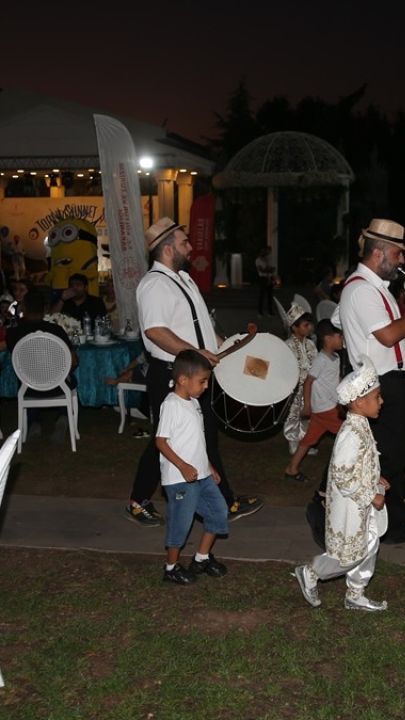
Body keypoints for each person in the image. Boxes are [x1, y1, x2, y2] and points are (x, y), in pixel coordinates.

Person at [128, 217, 261, 527]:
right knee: (183, 438)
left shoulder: (184, 280)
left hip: (193, 372)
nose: (190, 246)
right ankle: (222, 502)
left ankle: (218, 500)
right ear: (168, 248)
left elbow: (202, 325)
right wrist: (195, 353)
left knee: (194, 437)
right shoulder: (153, 284)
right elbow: (156, 332)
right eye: (184, 242)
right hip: (173, 375)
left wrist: (226, 347)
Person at [339, 218, 405, 545]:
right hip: (379, 383)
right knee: (387, 458)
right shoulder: (360, 290)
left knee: (391, 456)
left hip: (390, 381)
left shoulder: (375, 289)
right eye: (398, 254)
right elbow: (389, 336)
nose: (402, 261)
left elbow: (392, 339)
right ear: (380, 252)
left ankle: (387, 518)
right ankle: (390, 526)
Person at [293, 363, 391, 611]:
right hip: (351, 505)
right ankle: (312, 572)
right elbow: (342, 474)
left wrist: (375, 477)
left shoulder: (361, 424)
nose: (381, 401)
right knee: (349, 555)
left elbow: (362, 461)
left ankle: (356, 593)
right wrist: (371, 495)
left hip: (360, 504)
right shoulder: (351, 433)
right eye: (376, 397)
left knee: (369, 544)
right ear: (358, 402)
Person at [155, 350, 230, 585]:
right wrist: (183, 466)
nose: (206, 386)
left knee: (218, 512)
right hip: (180, 479)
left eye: (207, 381)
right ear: (183, 380)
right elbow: (160, 441)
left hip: (202, 475)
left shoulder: (194, 403)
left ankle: (201, 558)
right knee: (181, 522)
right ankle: (171, 568)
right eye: (202, 381)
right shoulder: (171, 405)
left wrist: (209, 466)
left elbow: (196, 440)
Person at [5, 291, 78, 438]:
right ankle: (63, 416)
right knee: (73, 379)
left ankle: (34, 422)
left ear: (23, 308)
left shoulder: (13, 333)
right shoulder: (55, 330)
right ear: (45, 309)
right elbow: (73, 361)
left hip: (28, 387)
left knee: (29, 375)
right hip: (58, 386)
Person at [284, 319, 344, 483]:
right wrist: (308, 405)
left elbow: (334, 380)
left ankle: (291, 469)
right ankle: (346, 470)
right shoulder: (321, 360)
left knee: (308, 441)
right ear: (328, 338)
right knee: (349, 434)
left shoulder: (335, 357)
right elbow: (308, 382)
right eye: (340, 336)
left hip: (326, 407)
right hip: (326, 408)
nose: (342, 340)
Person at [282, 304, 317, 455]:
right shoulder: (287, 346)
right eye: (305, 325)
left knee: (307, 414)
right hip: (294, 387)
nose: (309, 328)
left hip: (309, 387)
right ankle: (292, 441)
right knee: (293, 414)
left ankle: (305, 442)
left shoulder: (310, 344)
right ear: (294, 328)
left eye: (310, 324)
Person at [255, 246, 276, 317]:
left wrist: (267, 269)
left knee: (270, 296)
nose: (266, 253)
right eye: (265, 252)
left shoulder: (270, 259)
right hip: (262, 278)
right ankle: (260, 312)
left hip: (270, 278)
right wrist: (268, 269)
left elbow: (273, 269)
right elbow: (261, 270)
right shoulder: (258, 260)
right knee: (262, 296)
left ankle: (270, 312)